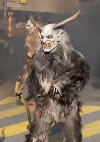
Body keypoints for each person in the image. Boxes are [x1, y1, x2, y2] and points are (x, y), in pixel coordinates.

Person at [20, 11, 90, 142]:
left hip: (66, 103)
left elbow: (81, 75)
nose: (45, 41)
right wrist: (27, 89)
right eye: (43, 38)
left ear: (58, 38)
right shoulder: (38, 58)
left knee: (72, 136)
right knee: (36, 136)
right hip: (45, 103)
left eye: (49, 37)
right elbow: (34, 77)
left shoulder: (72, 56)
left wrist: (61, 84)